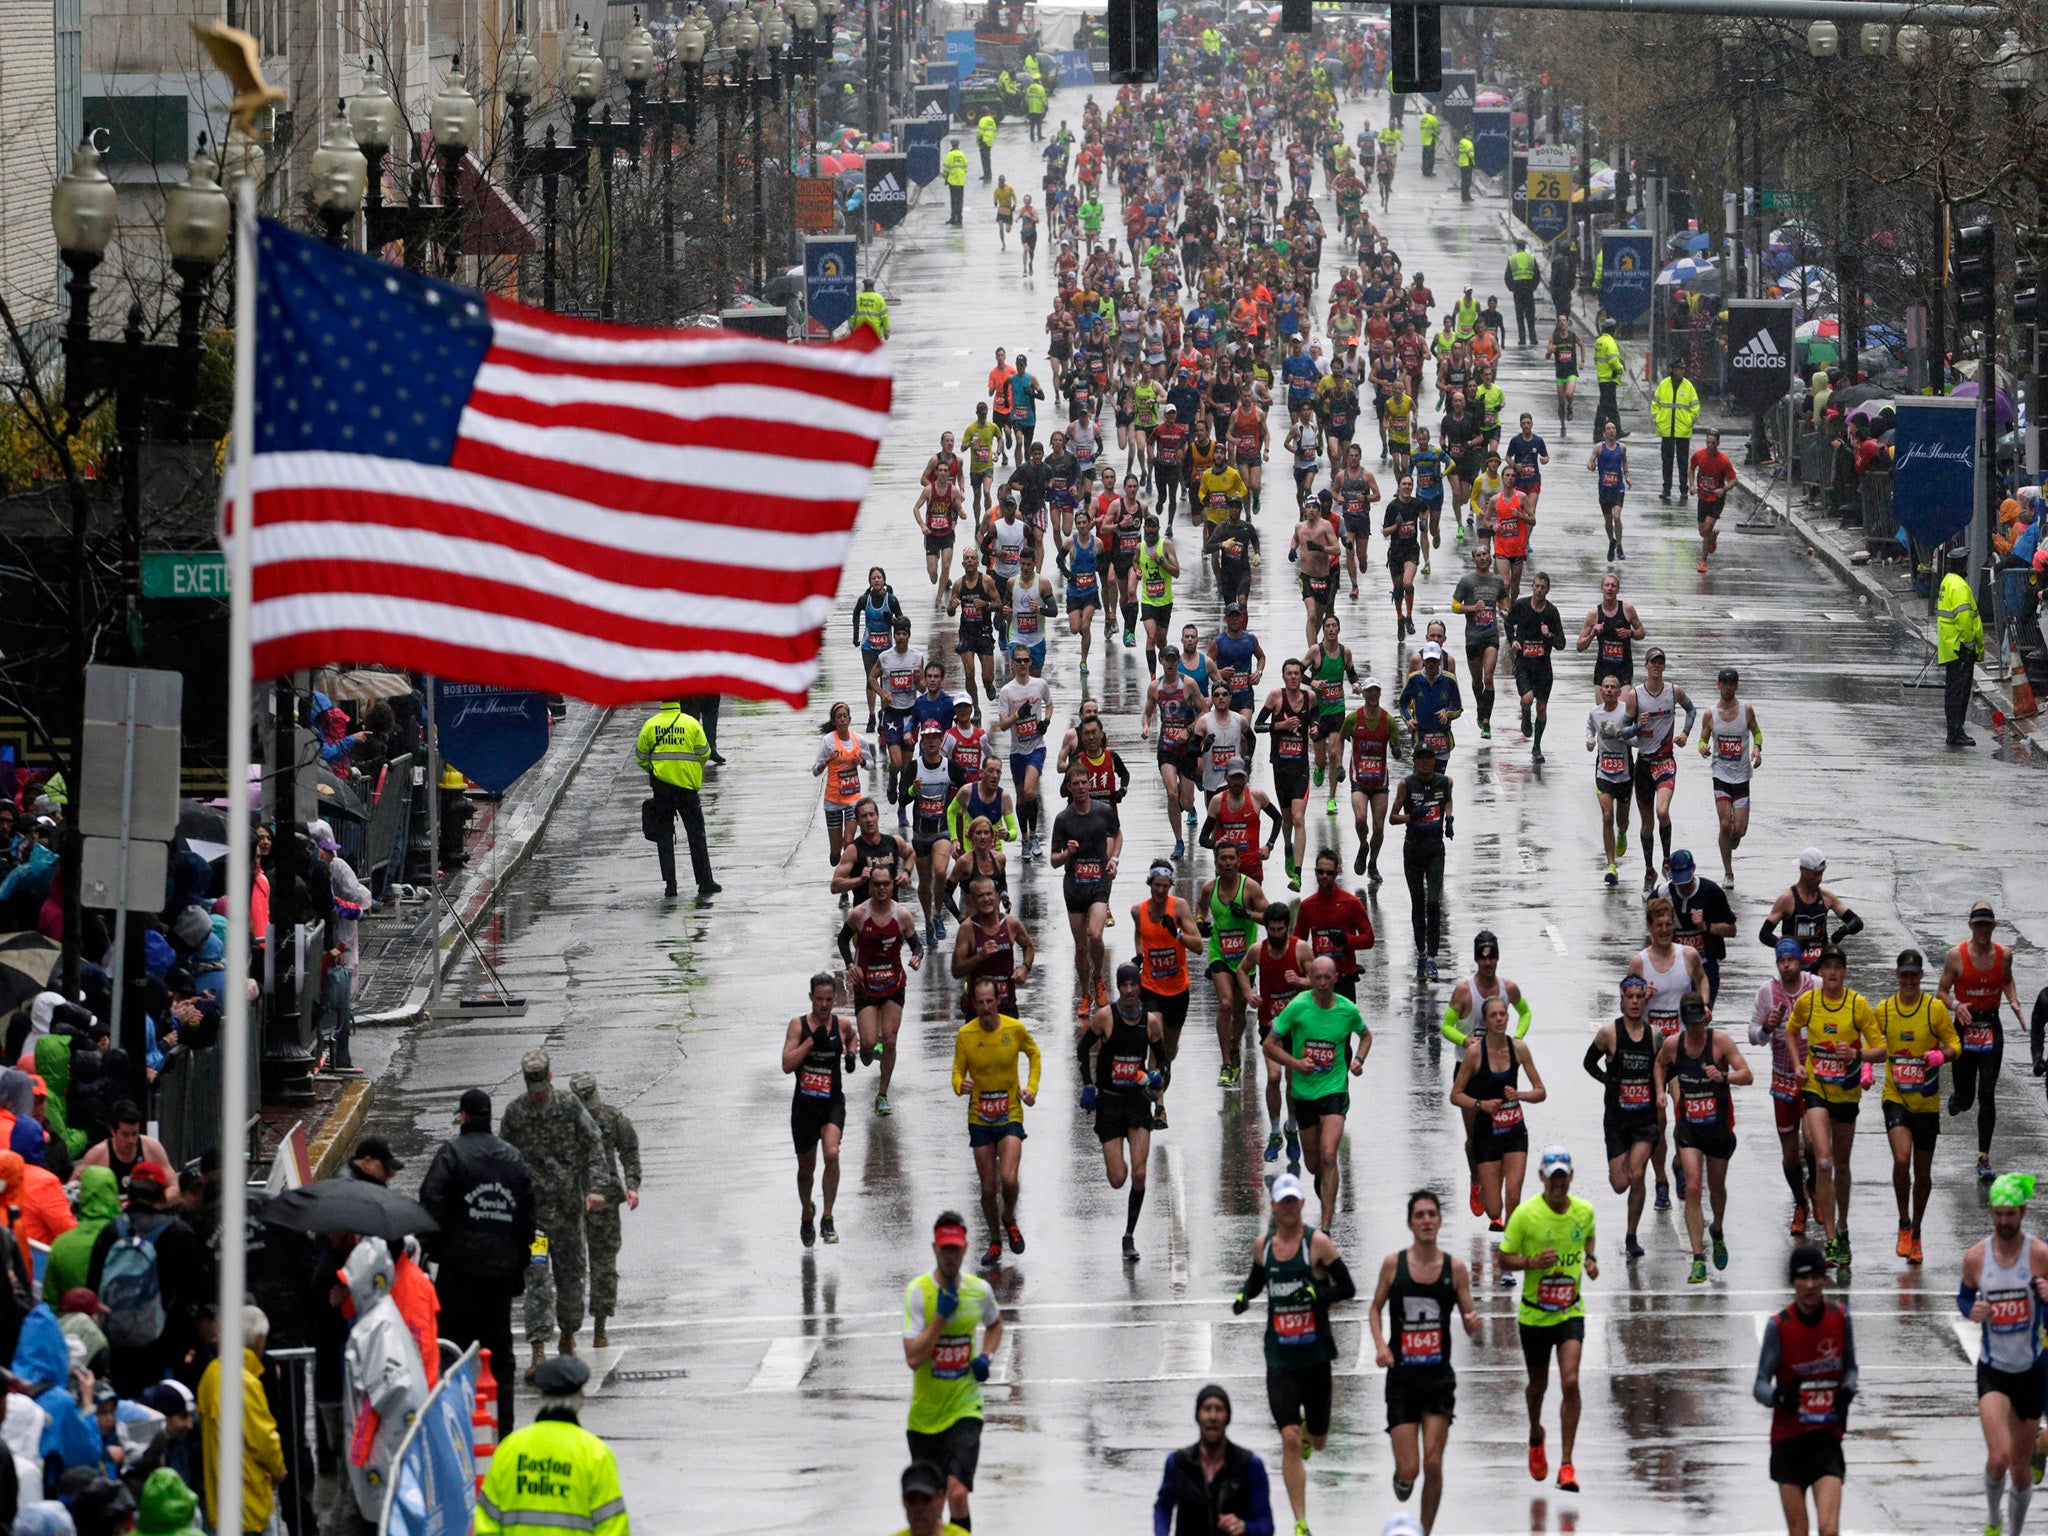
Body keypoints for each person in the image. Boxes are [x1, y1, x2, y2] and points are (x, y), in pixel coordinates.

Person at [1231, 1172, 1358, 1536]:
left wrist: (1318, 1296)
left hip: (1315, 1357)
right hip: (1280, 1357)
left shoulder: (1317, 1244)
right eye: (1281, 1202)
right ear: (1273, 1206)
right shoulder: (1264, 1247)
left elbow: (1347, 1287)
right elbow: (1257, 1280)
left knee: (1317, 1440)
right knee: (1288, 1437)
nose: (1287, 1208)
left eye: (1293, 1202)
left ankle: (1309, 1433)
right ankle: (1301, 1521)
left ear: (1302, 1204)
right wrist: (1244, 1296)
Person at [417, 1087, 535, 1434]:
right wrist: (519, 1266)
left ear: (463, 1116)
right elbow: (528, 1219)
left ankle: (456, 1428)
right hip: (498, 1276)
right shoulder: (513, 1158)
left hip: (458, 1274)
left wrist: (428, 1256)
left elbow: (431, 1204)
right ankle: (504, 1429)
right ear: (491, 1116)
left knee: (452, 1354)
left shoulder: (452, 1154)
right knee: (500, 1355)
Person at [1368, 1190, 1479, 1533]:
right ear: (1410, 1223)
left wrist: (1472, 1323)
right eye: (1420, 1215)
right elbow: (1374, 1308)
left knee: (1433, 1463)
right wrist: (1381, 1346)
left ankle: (1424, 1532)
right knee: (1411, 1469)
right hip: (1401, 1380)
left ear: (1440, 1221)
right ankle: (1402, 1478)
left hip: (1437, 1379)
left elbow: (1468, 1314)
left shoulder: (1455, 1268)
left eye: (1432, 1214)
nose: (1427, 1220)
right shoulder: (1393, 1265)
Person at [498, 1049, 609, 1375]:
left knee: (571, 1276)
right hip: (535, 1219)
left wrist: (596, 1188)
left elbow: (594, 1143)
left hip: (569, 1212)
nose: (538, 1093)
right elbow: (504, 1158)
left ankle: (568, 1337)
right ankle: (538, 1350)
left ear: (549, 1076)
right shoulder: (516, 1113)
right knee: (538, 1280)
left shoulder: (569, 1106)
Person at [1500, 1147, 1596, 1493]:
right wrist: (1531, 1264)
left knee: (1570, 1382)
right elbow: (1504, 1258)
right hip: (1534, 1315)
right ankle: (1535, 1432)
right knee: (1538, 1385)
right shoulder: (1526, 1216)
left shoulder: (1584, 1211)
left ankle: (1567, 1464)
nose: (1558, 1183)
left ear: (1570, 1177)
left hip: (1570, 1310)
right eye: (1552, 1177)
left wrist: (1590, 1260)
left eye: (1563, 1176)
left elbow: (1589, 1238)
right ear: (1541, 1177)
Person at [903, 1213, 1004, 1533]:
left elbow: (995, 1324)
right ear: (934, 1248)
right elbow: (914, 1359)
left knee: (957, 1492)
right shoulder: (919, 1292)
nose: (950, 1256)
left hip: (965, 1408)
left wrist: (986, 1355)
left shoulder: (979, 1290)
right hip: (924, 1418)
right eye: (944, 1249)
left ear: (965, 1249)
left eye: (956, 1250)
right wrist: (940, 1319)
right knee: (933, 1503)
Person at [1961, 1174, 2048, 1536]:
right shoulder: (1977, 1257)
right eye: (1997, 1214)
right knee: (1997, 1458)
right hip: (1993, 1370)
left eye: (2010, 1214)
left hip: (2030, 1370)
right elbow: (1965, 1297)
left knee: (2020, 1468)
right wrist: (1972, 1311)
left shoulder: (2040, 1255)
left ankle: (2014, 1531)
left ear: (2023, 1212)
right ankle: (1994, 1522)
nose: (2003, 1222)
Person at [1754, 1244, 1855, 1536]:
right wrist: (1779, 1396)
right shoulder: (1779, 1327)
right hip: (1789, 1442)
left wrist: (1847, 1389)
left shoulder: (1839, 1318)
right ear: (1792, 1282)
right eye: (1803, 1278)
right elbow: (1760, 1384)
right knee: (1799, 1531)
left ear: (1825, 1279)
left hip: (1826, 1438)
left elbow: (1851, 1368)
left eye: (1816, 1277)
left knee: (1828, 1529)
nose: (1810, 1286)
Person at [1264, 957, 1370, 1233]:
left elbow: (1366, 1035)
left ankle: (1325, 1227)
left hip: (1335, 1088)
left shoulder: (1347, 1010)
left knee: (1328, 1153)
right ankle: (1324, 1179)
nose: (1322, 983)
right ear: (1310, 978)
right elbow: (1269, 1044)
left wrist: (1358, 1059)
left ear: (1336, 978)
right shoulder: (1298, 1007)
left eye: (1327, 978)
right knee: (1313, 1165)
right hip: (1303, 1092)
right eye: (1317, 977)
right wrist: (1296, 1064)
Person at [1791, 948, 1882, 1268]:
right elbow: (1791, 1029)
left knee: (1841, 1164)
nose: (1831, 973)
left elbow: (1880, 1049)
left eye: (1837, 967)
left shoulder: (1857, 1005)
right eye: (1826, 967)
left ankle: (1842, 1226)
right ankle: (1829, 1239)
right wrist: (1797, 1064)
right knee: (1824, 1160)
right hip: (1816, 1090)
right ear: (1821, 973)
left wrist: (1856, 1056)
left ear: (1844, 973)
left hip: (1847, 1095)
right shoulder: (1809, 1002)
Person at [1655, 992, 1754, 1282]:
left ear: (1706, 1018)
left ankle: (1718, 1229)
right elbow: (1659, 1064)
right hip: (1689, 1128)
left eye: (1699, 1022)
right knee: (1694, 1187)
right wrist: (1661, 1091)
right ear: (1684, 1021)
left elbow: (1747, 1075)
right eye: (1690, 1023)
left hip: (1719, 1126)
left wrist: (1724, 1077)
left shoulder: (1720, 1042)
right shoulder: (1674, 1045)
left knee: (1717, 1187)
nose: (1696, 1029)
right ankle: (1698, 1258)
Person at [473, 1356, 628, 1536]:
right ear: (581, 1396)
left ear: (540, 1393)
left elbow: (487, 1523)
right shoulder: (596, 1454)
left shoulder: (510, 1448)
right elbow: (613, 1528)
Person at [1874, 950, 1957, 1265]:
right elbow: (1869, 1038)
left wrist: (1941, 1056)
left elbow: (1955, 1044)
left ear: (1921, 977)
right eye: (1904, 974)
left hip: (1927, 1102)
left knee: (1922, 1174)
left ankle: (1918, 1232)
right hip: (1895, 1098)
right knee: (1901, 1158)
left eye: (1914, 975)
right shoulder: (1884, 1009)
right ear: (1897, 976)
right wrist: (1867, 1067)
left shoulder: (1934, 1010)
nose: (1909, 980)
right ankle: (1903, 1222)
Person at [338, 1236, 429, 1527]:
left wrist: (358, 1455)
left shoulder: (374, 1329)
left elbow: (373, 1401)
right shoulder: (384, 1317)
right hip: (391, 1451)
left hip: (381, 1457)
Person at [952, 978, 1041, 1267]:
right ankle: (994, 1240)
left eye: (990, 1002)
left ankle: (1009, 1216)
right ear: (973, 1004)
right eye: (980, 1002)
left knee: (1010, 1178)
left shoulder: (1014, 1028)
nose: (986, 1007)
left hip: (1010, 1113)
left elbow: (1034, 1053)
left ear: (998, 1001)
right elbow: (956, 1071)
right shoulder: (966, 1034)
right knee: (988, 1188)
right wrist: (959, 1085)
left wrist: (1031, 1088)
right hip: (980, 1117)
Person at [1941, 900, 2026, 1180]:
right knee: (1966, 1100)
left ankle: (1983, 1158)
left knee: (1987, 1094)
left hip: (1991, 1028)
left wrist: (2012, 999)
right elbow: (1941, 992)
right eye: (1978, 925)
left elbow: (2007, 980)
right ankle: (1959, 1098)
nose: (1983, 931)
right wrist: (1956, 1006)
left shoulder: (2004, 955)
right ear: (1970, 926)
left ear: (1994, 926)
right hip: (1965, 1028)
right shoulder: (1956, 956)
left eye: (1987, 925)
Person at [1091, 964, 1165, 1263]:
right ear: (1119, 988)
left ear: (1140, 988)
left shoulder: (1151, 1023)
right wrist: (1088, 1085)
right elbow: (1084, 1050)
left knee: (1139, 1172)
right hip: (1109, 1103)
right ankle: (1113, 1152)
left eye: (1135, 985)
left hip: (1136, 1103)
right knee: (1118, 1179)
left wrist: (1156, 1081)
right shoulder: (1106, 1017)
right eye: (1125, 986)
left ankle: (1129, 1236)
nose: (1131, 991)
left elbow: (1163, 1061)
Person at [196, 1304, 285, 1536]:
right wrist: (278, 1469)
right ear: (258, 1341)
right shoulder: (246, 1383)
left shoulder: (211, 1374)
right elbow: (264, 1440)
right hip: (249, 1504)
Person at [567, 1074, 638, 1349]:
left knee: (604, 1266)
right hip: (571, 1202)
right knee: (571, 1268)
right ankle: (568, 1331)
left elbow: (629, 1152)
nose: (593, 1110)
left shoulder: (613, 1118)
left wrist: (632, 1185)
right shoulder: (564, 1124)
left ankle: (600, 1327)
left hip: (605, 1203)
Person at [1152, 1384, 1275, 1536]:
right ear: (1197, 1416)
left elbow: (1266, 1525)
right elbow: (1163, 1507)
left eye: (1219, 1409)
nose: (1212, 1417)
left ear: (1227, 1417)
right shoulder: (1179, 1463)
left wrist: (1244, 1527)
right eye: (1207, 1409)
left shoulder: (1249, 1465)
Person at [634, 700, 718, 902]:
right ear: (678, 701)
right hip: (687, 789)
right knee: (696, 834)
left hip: (662, 788)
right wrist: (689, 770)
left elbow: (641, 757)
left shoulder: (650, 725)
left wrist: (657, 771)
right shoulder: (691, 724)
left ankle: (670, 885)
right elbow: (705, 752)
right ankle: (704, 882)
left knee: (664, 837)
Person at [1388, 741, 1452, 979]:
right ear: (1414, 762)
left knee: (1433, 903)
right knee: (1418, 903)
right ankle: (1421, 955)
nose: (1425, 763)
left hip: (1435, 850)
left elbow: (1447, 801)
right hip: (1413, 850)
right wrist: (1410, 816)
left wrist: (1449, 819)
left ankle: (1433, 958)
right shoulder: (1407, 784)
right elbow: (1392, 818)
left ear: (1434, 761)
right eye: (1420, 759)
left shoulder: (1444, 782)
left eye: (1429, 759)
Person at [1699, 667, 1762, 884]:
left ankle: (1734, 838)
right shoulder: (1710, 714)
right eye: (1724, 683)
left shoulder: (1746, 710)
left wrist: (1757, 749)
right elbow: (1702, 740)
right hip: (1721, 775)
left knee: (1739, 830)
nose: (1728, 687)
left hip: (1742, 776)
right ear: (1718, 685)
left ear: (1736, 685)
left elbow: (1756, 732)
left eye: (1732, 683)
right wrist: (1703, 748)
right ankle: (1728, 871)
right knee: (1725, 825)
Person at [1759, 848, 1862, 972]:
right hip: (1796, 969)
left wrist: (1843, 931)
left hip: (1820, 967)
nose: (1819, 878)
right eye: (1815, 874)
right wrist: (1785, 946)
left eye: (1821, 873)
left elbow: (1856, 922)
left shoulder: (1827, 898)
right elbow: (1764, 934)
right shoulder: (1787, 899)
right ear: (1802, 870)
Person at [1937, 566, 1985, 746]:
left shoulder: (1947, 582)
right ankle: (1956, 731)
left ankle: (1953, 729)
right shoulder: (1960, 587)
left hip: (1951, 645)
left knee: (1952, 690)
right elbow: (1964, 621)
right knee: (1960, 691)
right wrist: (1971, 645)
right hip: (1961, 648)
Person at [1652, 360, 1700, 502]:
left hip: (1682, 432)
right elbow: (1656, 403)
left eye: (1683, 369)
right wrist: (1658, 419)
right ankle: (1666, 488)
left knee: (1683, 462)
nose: (1682, 372)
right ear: (1672, 370)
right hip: (1667, 430)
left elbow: (1695, 408)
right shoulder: (1664, 385)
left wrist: (1689, 422)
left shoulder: (1688, 386)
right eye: (1679, 369)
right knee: (1666, 461)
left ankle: (1683, 490)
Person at [1689, 427, 1735, 573]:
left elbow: (1734, 479)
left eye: (1713, 443)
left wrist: (1724, 489)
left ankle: (1703, 560)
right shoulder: (1699, 455)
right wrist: (1691, 485)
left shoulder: (1723, 460)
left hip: (1716, 499)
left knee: (1707, 528)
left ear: (1718, 444)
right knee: (1703, 532)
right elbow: (1691, 468)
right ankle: (1713, 537)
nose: (1710, 446)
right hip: (1702, 497)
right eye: (1708, 442)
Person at [1504, 241, 1541, 348]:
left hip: (1518, 291)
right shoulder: (1531, 258)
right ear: (1524, 247)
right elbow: (1537, 275)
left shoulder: (1512, 259)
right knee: (1530, 315)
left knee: (1520, 316)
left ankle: (1522, 339)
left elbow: (1507, 276)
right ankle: (1533, 339)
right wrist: (1533, 287)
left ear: (1517, 247)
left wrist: (1512, 288)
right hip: (1529, 290)